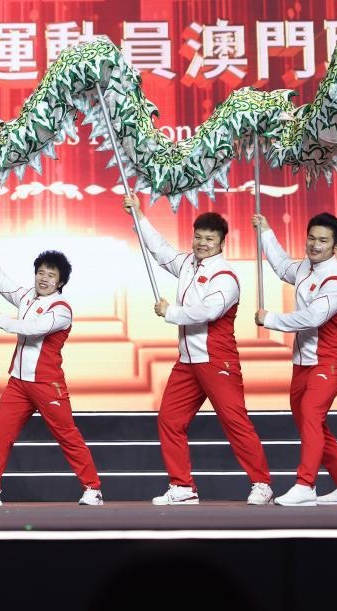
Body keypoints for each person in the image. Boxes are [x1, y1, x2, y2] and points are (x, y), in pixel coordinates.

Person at [123, 195, 272, 505]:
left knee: (234, 422)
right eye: (199, 237)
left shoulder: (225, 277)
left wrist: (170, 312)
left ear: (221, 243)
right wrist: (138, 214)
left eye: (209, 239)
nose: (202, 243)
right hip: (188, 361)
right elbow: (160, 249)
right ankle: (182, 486)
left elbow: (208, 312)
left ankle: (262, 484)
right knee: (169, 419)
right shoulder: (188, 264)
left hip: (217, 360)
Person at [0, 236, 103, 507]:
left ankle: (92, 488)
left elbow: (35, 328)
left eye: (51, 275)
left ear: (60, 282)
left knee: (67, 435)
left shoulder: (62, 309)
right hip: (18, 383)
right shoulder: (27, 297)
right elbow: (0, 280)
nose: (44, 278)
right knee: (0, 434)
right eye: (41, 272)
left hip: (47, 384)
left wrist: (4, 321)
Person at [252, 212, 337, 506]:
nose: (315, 245)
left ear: (335, 247)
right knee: (311, 425)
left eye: (323, 241)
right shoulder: (304, 267)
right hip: (303, 361)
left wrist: (271, 319)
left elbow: (313, 317)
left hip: (328, 360)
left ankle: (306, 485)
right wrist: (265, 231)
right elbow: (281, 266)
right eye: (311, 238)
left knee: (312, 416)